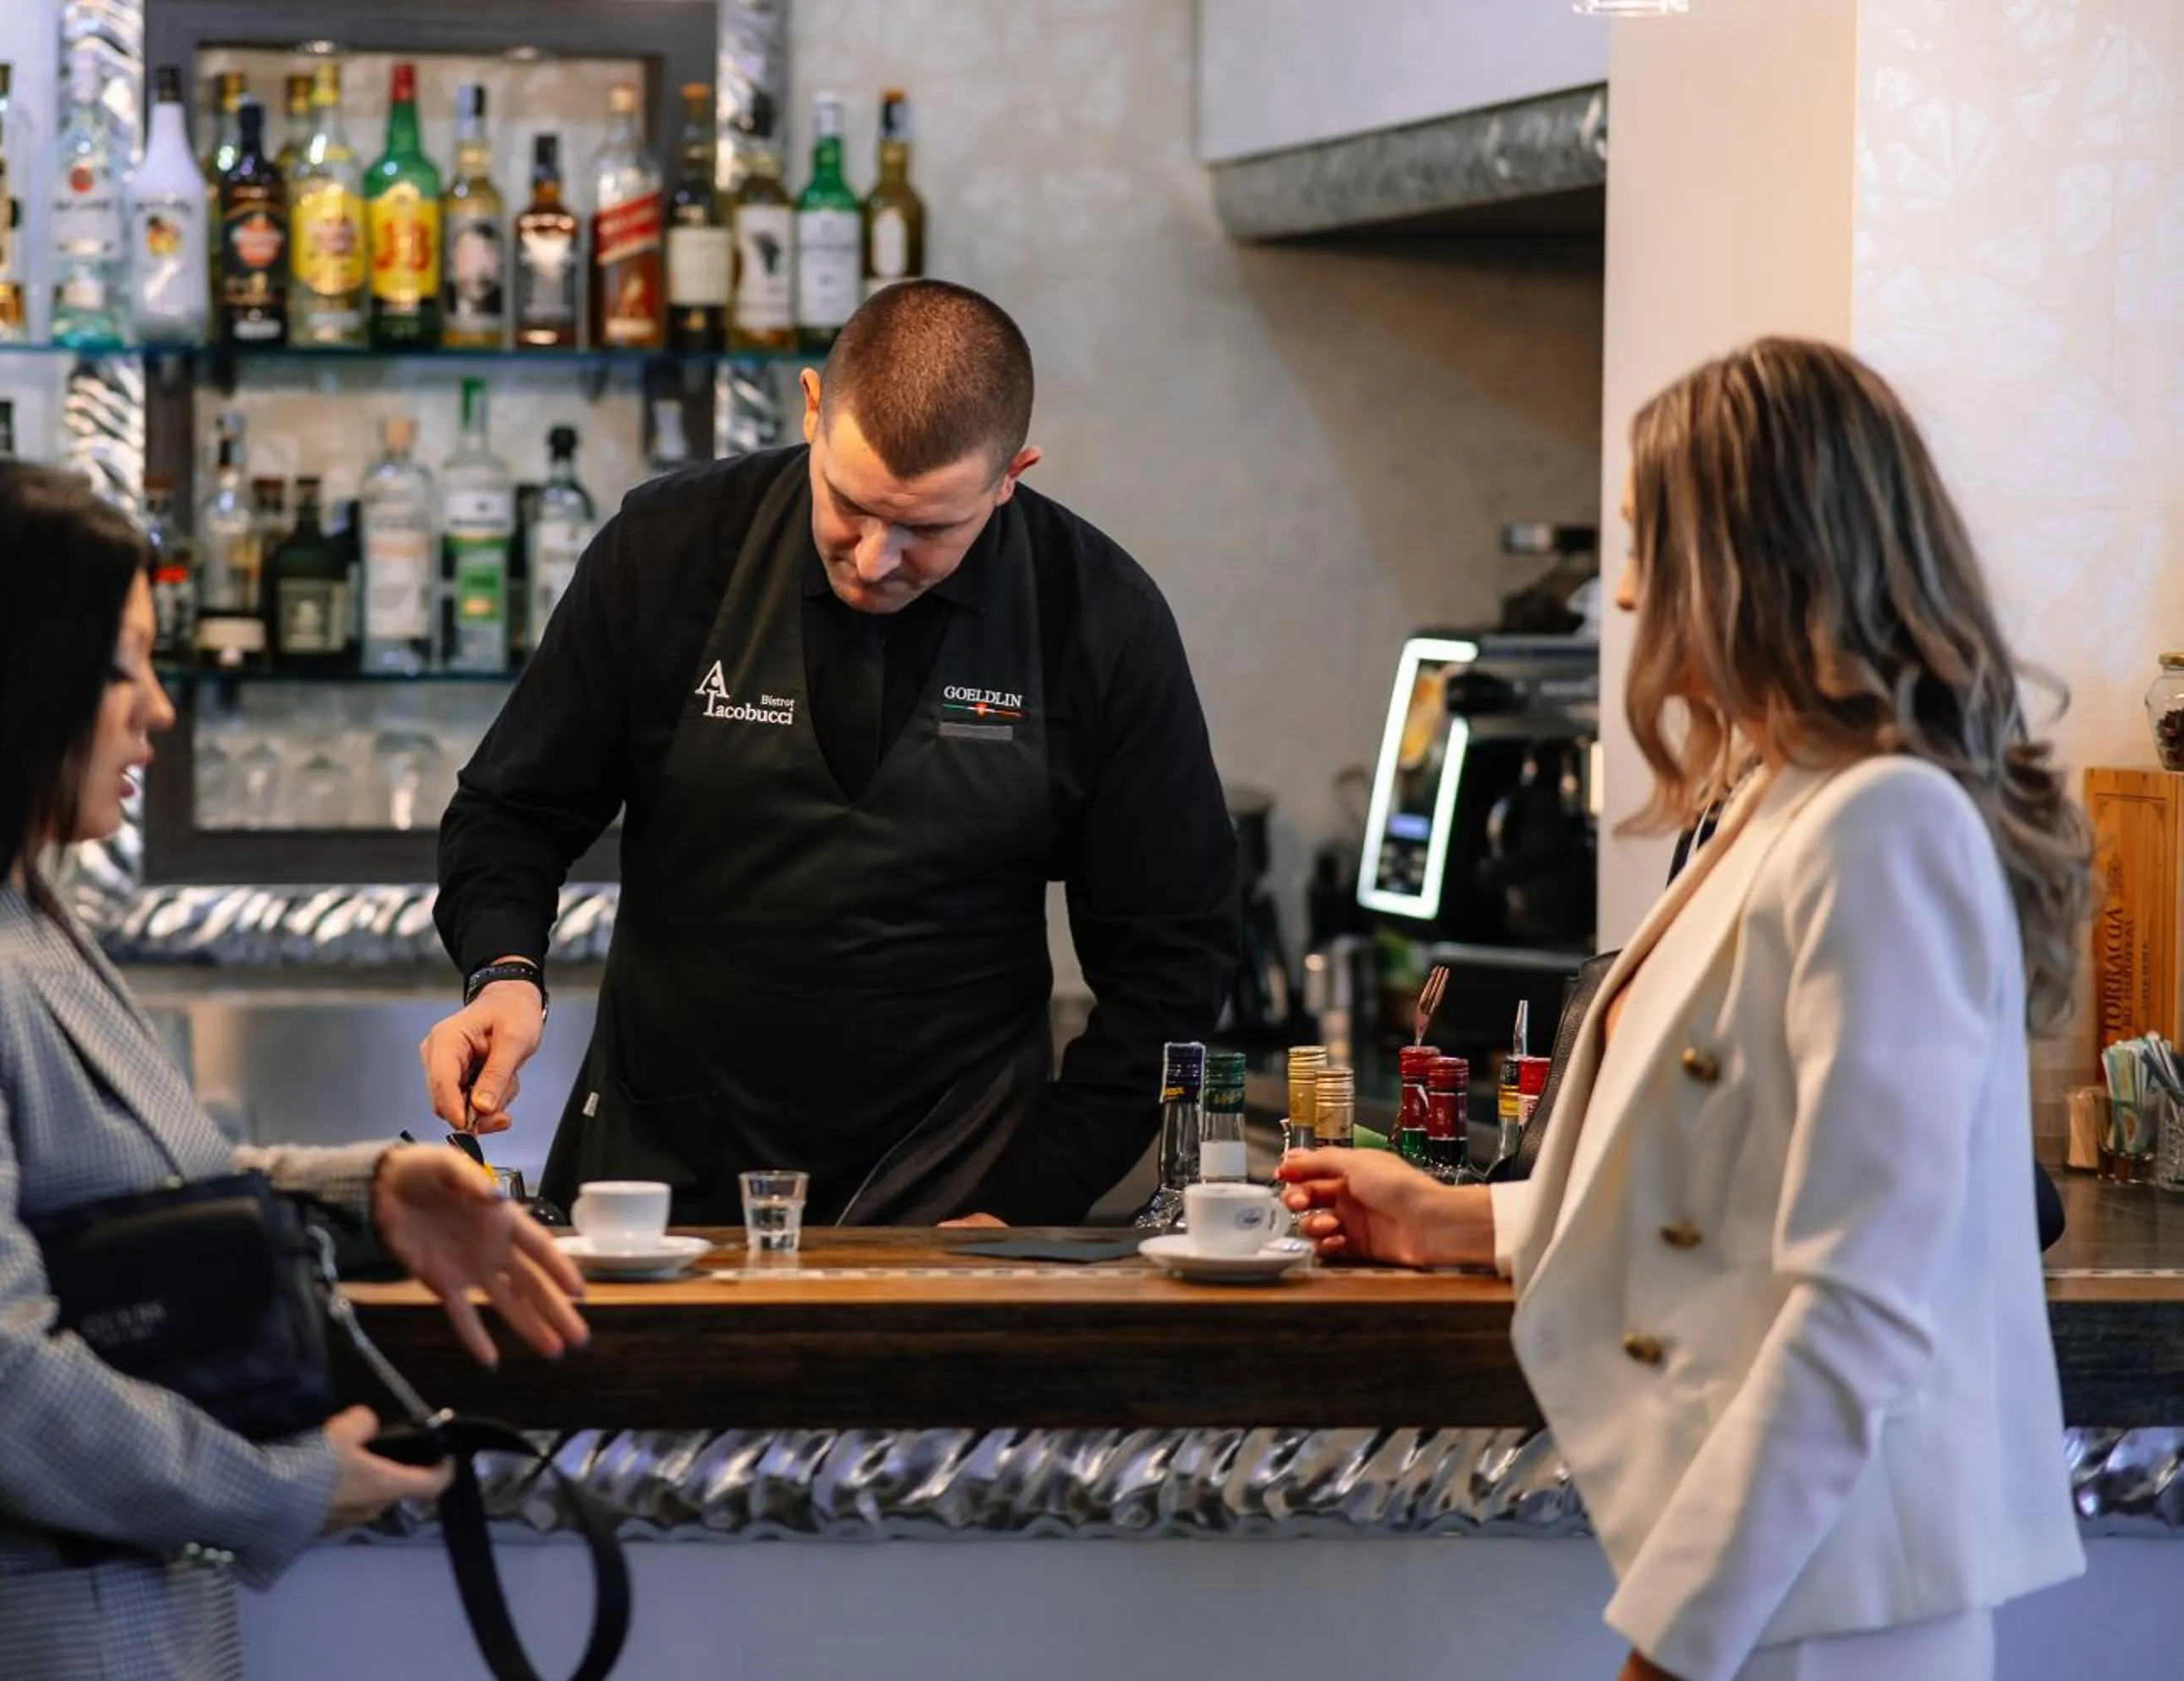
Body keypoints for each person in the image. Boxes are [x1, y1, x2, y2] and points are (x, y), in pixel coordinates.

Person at [1279, 337, 2089, 1681]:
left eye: (1649, 543)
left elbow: (1858, 1304)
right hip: (1778, 1588)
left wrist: (1677, 1642)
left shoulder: (1882, 825)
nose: (1630, 591)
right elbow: (1733, 1192)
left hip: (1833, 1599)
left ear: (1751, 559)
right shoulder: (1777, 797)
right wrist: (1461, 1219)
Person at [0, 460, 590, 1680]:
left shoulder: (15, 915)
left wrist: (375, 1190)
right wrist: (277, 1487)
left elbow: (118, 1190)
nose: (160, 709)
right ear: (2, 678)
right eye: (125, 663)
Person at [423, 280, 1240, 1227]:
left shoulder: (1098, 618)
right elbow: (511, 812)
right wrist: (504, 973)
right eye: (850, 505)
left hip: (958, 1188)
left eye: (930, 529)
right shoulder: (672, 550)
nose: (875, 558)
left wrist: (1037, 1190)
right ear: (812, 408)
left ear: (1012, 473)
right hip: (660, 1180)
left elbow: (1174, 957)